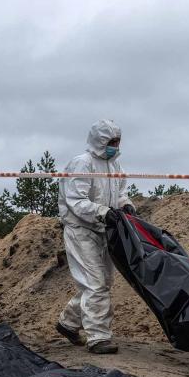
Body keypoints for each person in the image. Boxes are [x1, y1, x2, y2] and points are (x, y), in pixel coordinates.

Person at [55, 119, 135, 354]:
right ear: (100, 140)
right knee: (95, 283)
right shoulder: (83, 163)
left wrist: (126, 205)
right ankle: (98, 337)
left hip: (104, 229)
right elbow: (76, 201)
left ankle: (68, 323)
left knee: (102, 283)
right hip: (81, 229)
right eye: (111, 141)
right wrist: (103, 212)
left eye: (117, 141)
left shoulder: (114, 166)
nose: (115, 145)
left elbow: (120, 193)